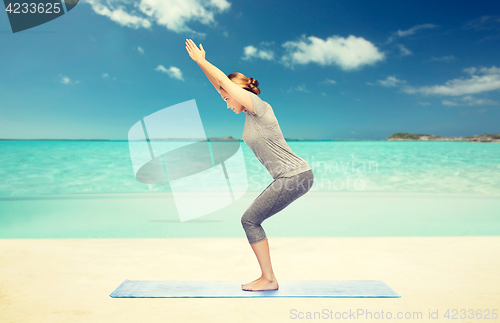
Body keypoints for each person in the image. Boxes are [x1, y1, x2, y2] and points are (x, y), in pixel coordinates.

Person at [185, 39, 314, 291]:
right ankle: (268, 277)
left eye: (227, 99)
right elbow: (220, 85)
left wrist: (202, 60)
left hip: (294, 175)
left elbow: (224, 83)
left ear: (237, 93)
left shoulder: (260, 108)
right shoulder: (248, 114)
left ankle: (269, 279)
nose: (226, 103)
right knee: (251, 220)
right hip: (290, 177)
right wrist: (199, 66)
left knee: (250, 220)